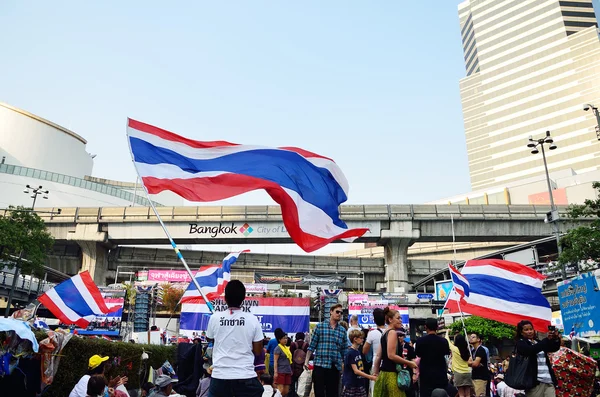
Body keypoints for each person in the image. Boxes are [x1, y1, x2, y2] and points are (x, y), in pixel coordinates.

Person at [206, 280, 264, 397]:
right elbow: (258, 351)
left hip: (220, 376)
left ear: (225, 298)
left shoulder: (215, 318)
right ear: (243, 298)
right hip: (246, 376)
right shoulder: (252, 320)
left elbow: (209, 338)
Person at [304, 303, 348, 397]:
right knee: (319, 393)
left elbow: (344, 351)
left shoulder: (342, 331)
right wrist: (306, 361)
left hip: (335, 367)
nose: (339, 314)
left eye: (341, 312)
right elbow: (312, 346)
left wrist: (344, 366)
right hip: (320, 365)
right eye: (337, 312)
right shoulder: (320, 327)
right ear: (331, 312)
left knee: (333, 393)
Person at [373, 308, 417, 397]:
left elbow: (378, 355)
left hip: (383, 375)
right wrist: (409, 363)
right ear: (390, 319)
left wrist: (376, 373)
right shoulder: (392, 332)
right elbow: (391, 355)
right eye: (398, 318)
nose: (401, 320)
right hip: (392, 375)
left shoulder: (384, 333)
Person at [515, 320, 560, 397]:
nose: (529, 331)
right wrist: (546, 340)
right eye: (526, 330)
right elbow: (531, 350)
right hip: (535, 383)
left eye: (531, 329)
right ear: (521, 332)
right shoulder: (521, 343)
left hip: (548, 380)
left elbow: (553, 348)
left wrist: (555, 338)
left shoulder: (538, 342)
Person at [415, 318, 450, 397]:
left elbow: (418, 354)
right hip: (440, 373)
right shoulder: (443, 341)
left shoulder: (420, 341)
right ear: (437, 327)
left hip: (426, 375)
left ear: (425, 327)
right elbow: (446, 353)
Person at [342, 329, 377, 397]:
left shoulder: (357, 352)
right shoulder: (350, 353)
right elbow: (356, 371)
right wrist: (370, 377)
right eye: (361, 338)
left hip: (359, 382)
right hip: (351, 383)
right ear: (355, 339)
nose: (363, 340)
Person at [363, 308, 386, 396]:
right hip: (389, 365)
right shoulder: (391, 332)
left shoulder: (372, 334)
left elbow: (364, 351)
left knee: (375, 390)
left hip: (375, 365)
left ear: (374, 320)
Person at [446, 330, 472, 397]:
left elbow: (447, 340)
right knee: (468, 393)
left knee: (461, 394)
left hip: (458, 373)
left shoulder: (455, 349)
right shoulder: (467, 350)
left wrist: (447, 332)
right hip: (468, 372)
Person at [469, 332, 490, 397]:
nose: (471, 338)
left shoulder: (481, 350)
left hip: (481, 378)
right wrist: (474, 363)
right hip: (474, 377)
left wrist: (474, 363)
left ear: (478, 339)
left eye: (473, 337)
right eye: (470, 337)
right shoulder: (472, 351)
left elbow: (475, 364)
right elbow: (468, 362)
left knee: (479, 394)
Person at [274, 329, 293, 396]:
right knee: (280, 390)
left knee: (286, 390)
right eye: (283, 338)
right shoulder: (278, 348)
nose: (285, 340)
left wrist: (290, 369)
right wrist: (275, 372)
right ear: (279, 340)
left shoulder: (287, 348)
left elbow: (289, 360)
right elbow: (275, 361)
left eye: (286, 338)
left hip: (287, 370)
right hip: (280, 371)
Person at [290, 332, 309, 397]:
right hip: (302, 367)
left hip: (293, 367)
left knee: (292, 385)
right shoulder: (306, 345)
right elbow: (310, 356)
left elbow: (290, 355)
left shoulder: (293, 344)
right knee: (301, 384)